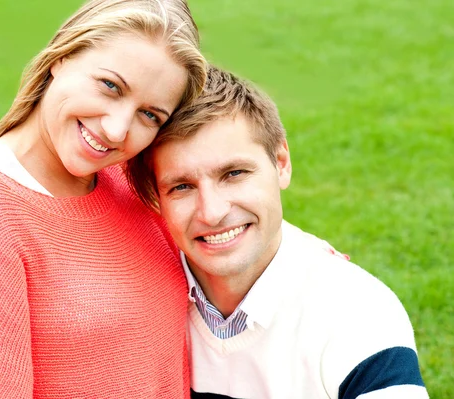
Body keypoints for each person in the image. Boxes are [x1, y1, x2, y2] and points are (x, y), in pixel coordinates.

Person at [0, 0, 207, 397]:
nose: (118, 131)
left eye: (149, 115)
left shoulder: (129, 183)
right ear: (62, 57)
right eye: (110, 86)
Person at [126, 66, 429, 398]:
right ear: (156, 197)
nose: (212, 212)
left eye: (234, 173)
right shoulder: (138, 299)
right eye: (182, 186)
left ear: (281, 162)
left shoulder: (357, 314)